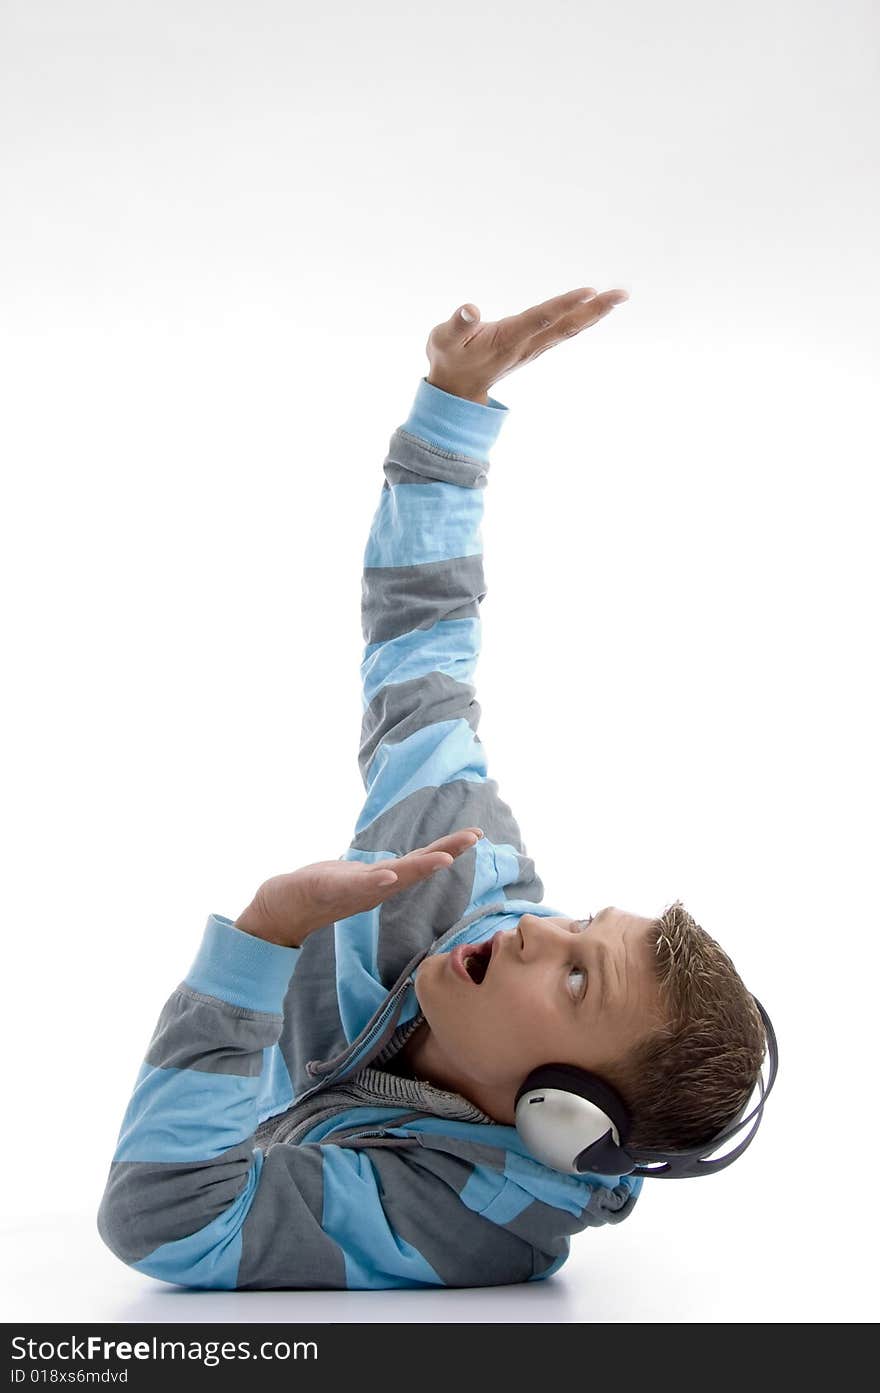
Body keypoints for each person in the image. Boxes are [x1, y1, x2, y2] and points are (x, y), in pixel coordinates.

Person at [97, 286, 768, 1291]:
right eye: (584, 924)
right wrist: (451, 410)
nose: (543, 931)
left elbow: (163, 1221)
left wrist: (265, 937)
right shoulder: (455, 865)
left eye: (577, 979)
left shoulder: (472, 1227)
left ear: (561, 1114)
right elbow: (422, 645)